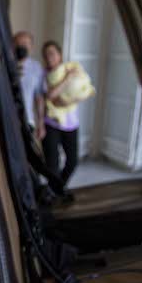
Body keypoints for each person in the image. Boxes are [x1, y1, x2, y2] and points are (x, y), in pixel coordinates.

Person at [41, 40, 93, 187]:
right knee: (52, 165)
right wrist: (67, 79)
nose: (49, 57)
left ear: (60, 55)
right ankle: (54, 192)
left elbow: (84, 89)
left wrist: (74, 98)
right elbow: (51, 96)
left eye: (52, 53)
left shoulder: (72, 68)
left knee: (72, 162)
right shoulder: (44, 75)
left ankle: (58, 189)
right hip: (51, 124)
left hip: (71, 124)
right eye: (46, 55)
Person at [12, 30, 45, 140]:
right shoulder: (4, 63)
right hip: (5, 117)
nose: (21, 47)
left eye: (25, 44)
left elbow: (39, 97)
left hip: (27, 121)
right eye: (18, 44)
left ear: (31, 47)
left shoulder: (36, 68)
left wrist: (40, 123)